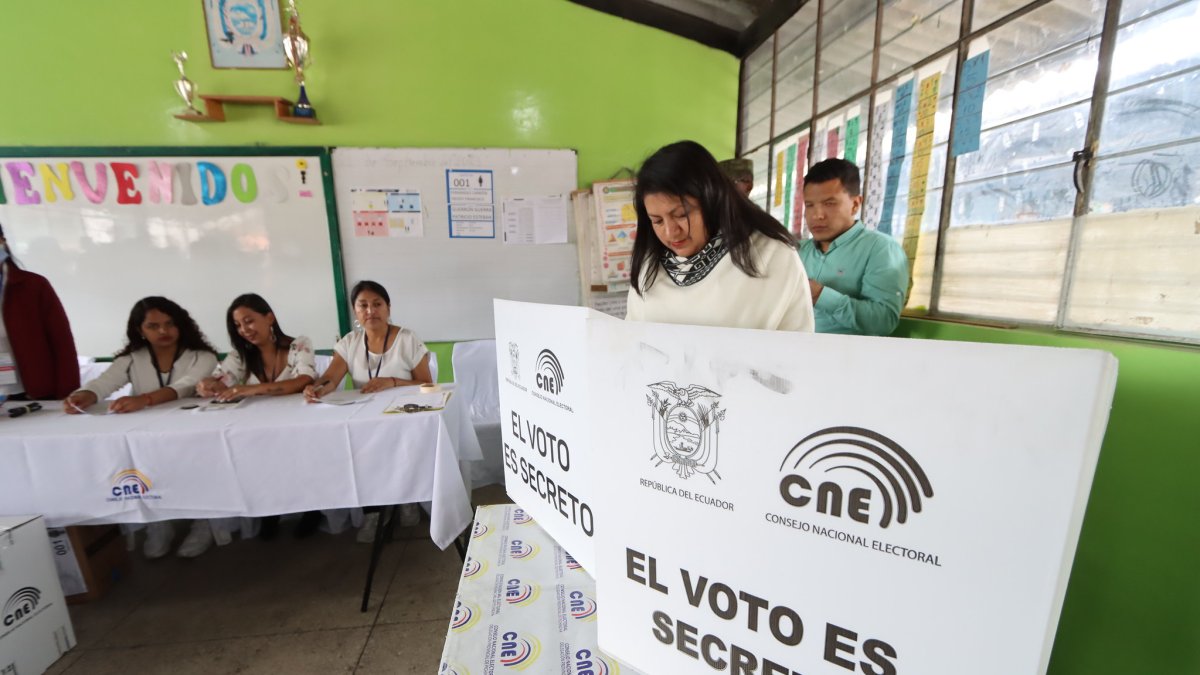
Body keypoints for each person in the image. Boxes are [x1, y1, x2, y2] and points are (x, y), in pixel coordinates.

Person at [63, 296, 219, 559]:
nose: (163, 331)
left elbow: (186, 385)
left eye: (169, 324)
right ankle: (158, 526)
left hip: (193, 433)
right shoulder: (131, 359)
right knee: (148, 475)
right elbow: (103, 383)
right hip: (147, 436)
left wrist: (144, 399)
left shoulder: (202, 356)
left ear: (181, 325)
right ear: (140, 330)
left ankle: (203, 524)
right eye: (153, 326)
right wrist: (85, 395)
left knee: (197, 474)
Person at [175, 293, 318, 557]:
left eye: (249, 321)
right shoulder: (240, 355)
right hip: (256, 428)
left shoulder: (299, 345)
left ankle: (312, 510)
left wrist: (251, 390)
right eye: (239, 326)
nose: (245, 330)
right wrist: (209, 385)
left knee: (298, 460)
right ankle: (270, 511)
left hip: (298, 425)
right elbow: (221, 378)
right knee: (255, 462)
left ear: (269, 318)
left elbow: (302, 381)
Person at [625, 141, 814, 332]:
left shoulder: (770, 256)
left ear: (712, 200)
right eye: (657, 221)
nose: (670, 231)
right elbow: (632, 339)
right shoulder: (648, 265)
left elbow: (797, 348)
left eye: (681, 214)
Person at [304, 280, 434, 542]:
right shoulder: (350, 342)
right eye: (363, 305)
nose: (370, 311)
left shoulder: (406, 339)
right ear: (355, 311)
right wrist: (317, 388)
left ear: (388, 308)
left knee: (401, 451)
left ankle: (407, 499)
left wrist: (392, 381)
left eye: (377, 304)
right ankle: (374, 510)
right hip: (366, 419)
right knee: (360, 454)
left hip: (404, 418)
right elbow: (331, 377)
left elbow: (427, 384)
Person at [799, 159, 908, 336]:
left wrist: (820, 295)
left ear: (855, 204)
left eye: (829, 203)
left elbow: (884, 321)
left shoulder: (881, 249)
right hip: (791, 354)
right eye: (809, 205)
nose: (817, 215)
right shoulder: (797, 250)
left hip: (847, 360)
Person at [0, 223, 80, 401]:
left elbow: (62, 342)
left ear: (3, 242)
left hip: (34, 392)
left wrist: (67, 392)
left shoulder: (33, 286)